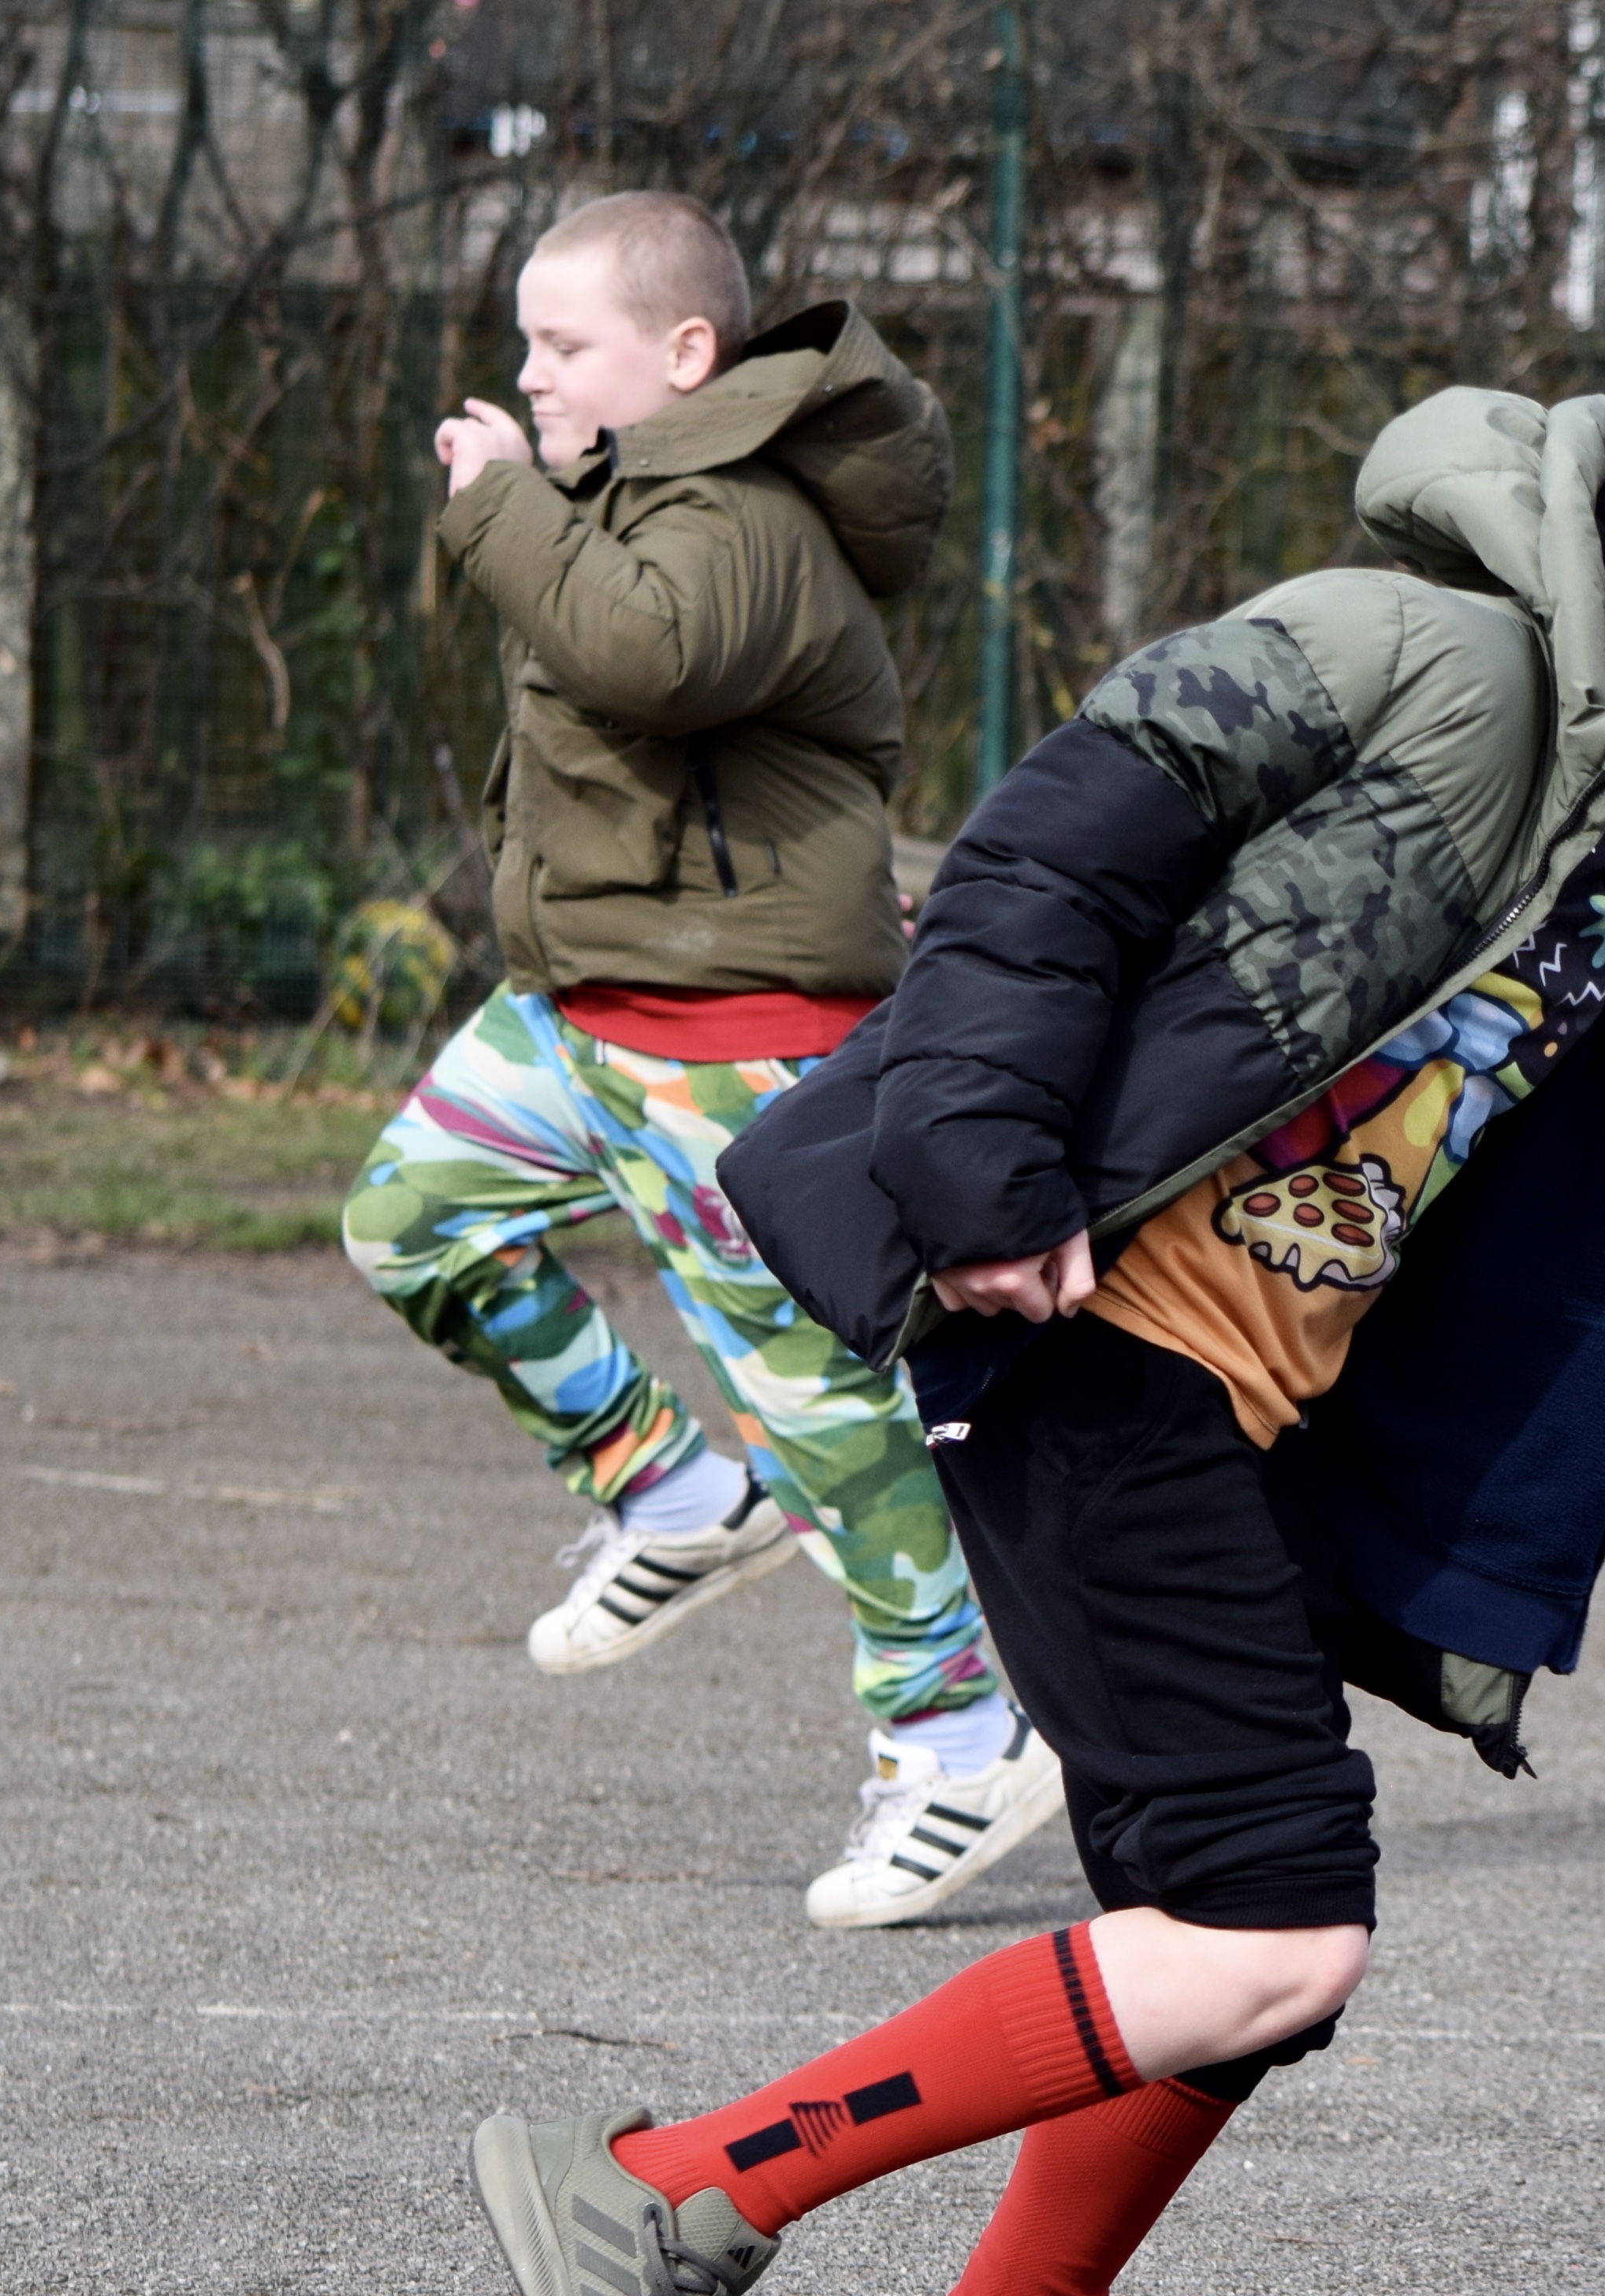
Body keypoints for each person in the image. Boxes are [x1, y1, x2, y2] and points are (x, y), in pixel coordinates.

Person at [465, 341, 1605, 2296]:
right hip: (1079, 1339)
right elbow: (1043, 856)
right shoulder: (1421, 652)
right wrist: (981, 1168)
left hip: (1239, 1411)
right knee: (1267, 1929)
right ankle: (679, 2192)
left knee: (1240, 1955)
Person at [340, 191, 1062, 1930]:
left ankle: (965, 1741)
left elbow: (645, 659)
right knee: (411, 1218)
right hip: (579, 1007)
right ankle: (664, 1484)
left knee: (829, 1416)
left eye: (561, 343)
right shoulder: (632, 496)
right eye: (525, 341)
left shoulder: (743, 502)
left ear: (683, 354)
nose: (528, 374)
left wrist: (504, 500)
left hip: (734, 1039)